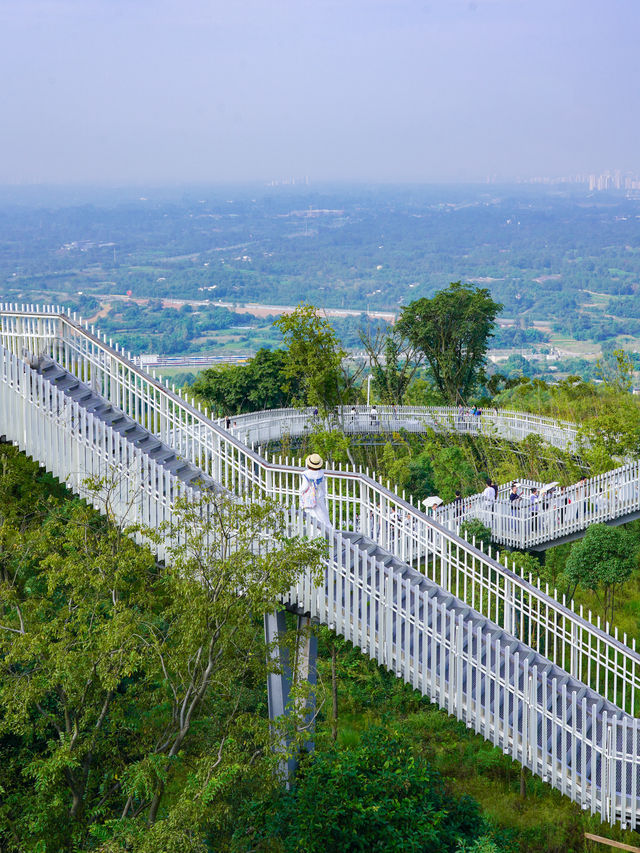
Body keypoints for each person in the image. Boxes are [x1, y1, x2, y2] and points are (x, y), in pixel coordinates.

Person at [300, 453, 332, 530]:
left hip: (310, 498)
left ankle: (315, 532)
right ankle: (328, 529)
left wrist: (301, 491)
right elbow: (323, 485)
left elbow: (304, 487)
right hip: (319, 496)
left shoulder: (306, 474)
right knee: (322, 514)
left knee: (311, 515)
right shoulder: (321, 473)